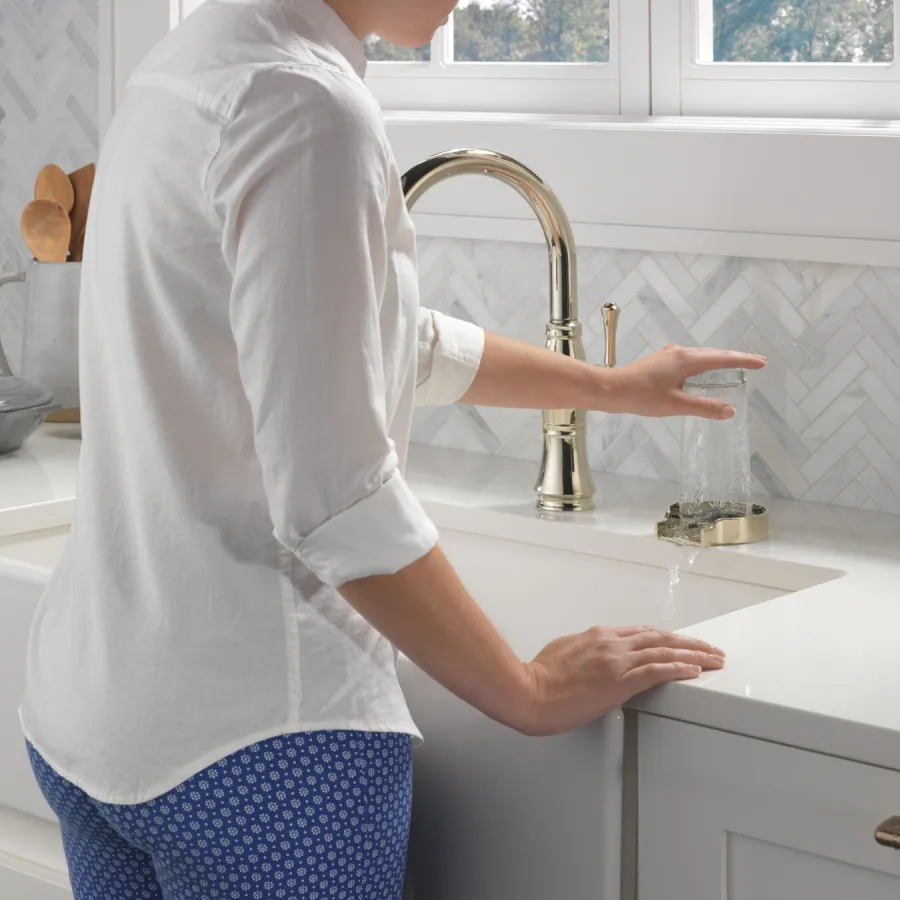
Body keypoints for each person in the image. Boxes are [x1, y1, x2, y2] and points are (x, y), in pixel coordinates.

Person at [21, 1, 765, 898]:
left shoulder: (195, 60)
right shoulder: (307, 108)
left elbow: (376, 340)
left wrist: (607, 387)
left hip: (91, 715)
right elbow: (335, 498)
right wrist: (526, 689)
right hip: (260, 752)